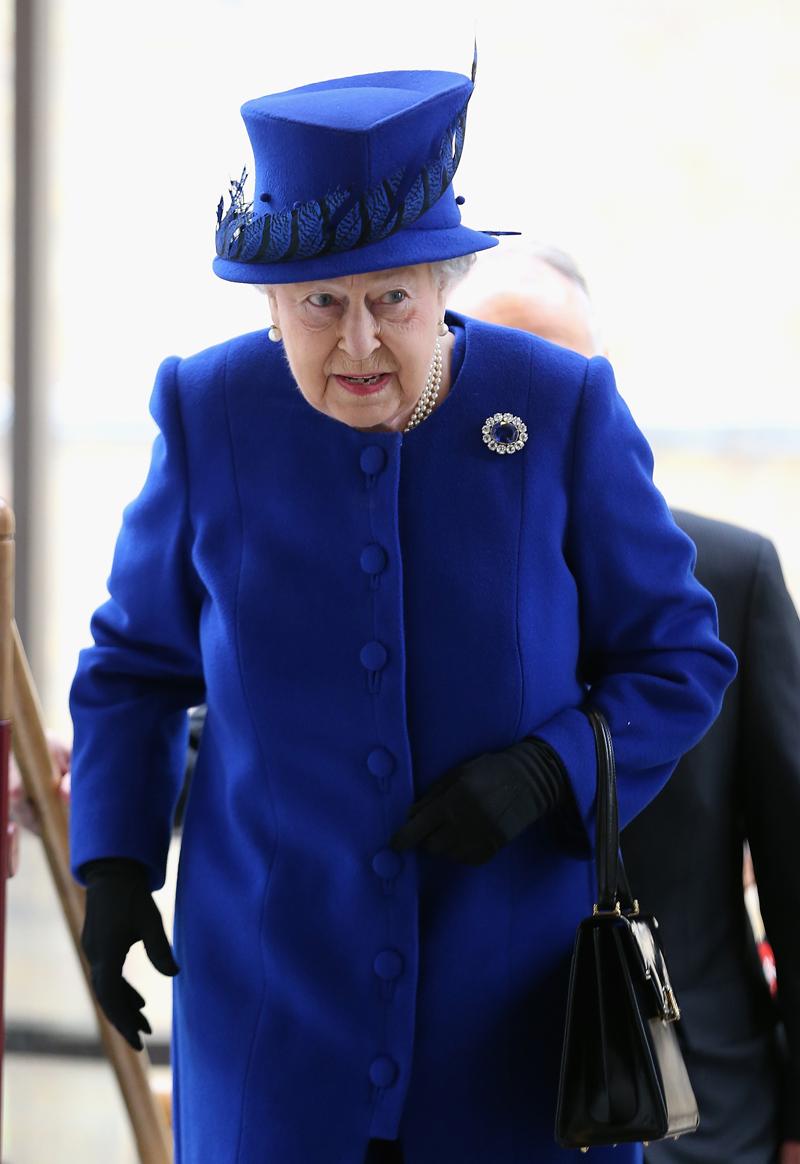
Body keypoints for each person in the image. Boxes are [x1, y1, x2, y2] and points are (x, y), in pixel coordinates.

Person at [68, 66, 736, 1164]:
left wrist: (548, 771)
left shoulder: (559, 409)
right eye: (321, 304)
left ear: (443, 285)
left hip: (510, 1021)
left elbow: (677, 655)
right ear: (269, 303)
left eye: (393, 300)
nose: (361, 344)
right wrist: (114, 865)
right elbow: (136, 667)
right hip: (274, 1013)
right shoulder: (208, 410)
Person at [470, 243, 800, 1164]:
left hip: (702, 1113)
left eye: (560, 378)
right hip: (480, 1106)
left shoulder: (731, 578)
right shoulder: (413, 595)